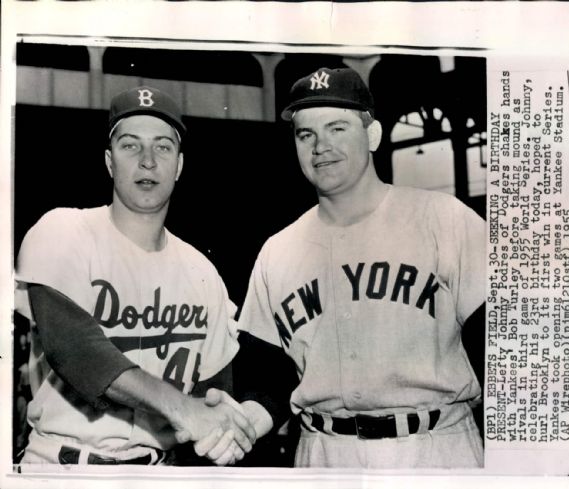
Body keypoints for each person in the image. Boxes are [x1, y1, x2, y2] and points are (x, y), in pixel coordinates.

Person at [208, 67, 486, 468]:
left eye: (337, 128)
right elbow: (270, 375)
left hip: (435, 449)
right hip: (324, 454)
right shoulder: (278, 251)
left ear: (371, 135)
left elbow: (507, 346)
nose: (321, 146)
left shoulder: (444, 219)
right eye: (306, 134)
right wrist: (248, 420)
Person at [14, 85, 256, 466]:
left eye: (162, 146)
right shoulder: (63, 231)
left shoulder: (202, 272)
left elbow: (213, 393)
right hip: (63, 468)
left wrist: (221, 431)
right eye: (130, 145)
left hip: (158, 470)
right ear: (110, 162)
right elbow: (76, 351)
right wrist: (184, 410)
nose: (147, 161)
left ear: (179, 165)